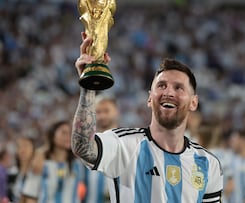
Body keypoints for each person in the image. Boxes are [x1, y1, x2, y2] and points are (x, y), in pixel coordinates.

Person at [71, 32, 223, 203]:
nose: (168, 92)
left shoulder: (208, 163)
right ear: (150, 98)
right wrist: (88, 85)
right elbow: (83, 147)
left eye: (178, 88)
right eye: (162, 85)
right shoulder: (123, 145)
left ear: (194, 103)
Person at [21, 121, 83, 203]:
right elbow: (31, 195)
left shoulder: (77, 165)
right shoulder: (41, 163)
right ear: (53, 135)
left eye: (70, 133)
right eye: (63, 132)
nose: (68, 136)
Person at [83, 96, 120, 203]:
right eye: (98, 112)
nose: (102, 116)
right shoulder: (86, 144)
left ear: (116, 112)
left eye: (106, 111)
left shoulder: (128, 142)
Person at [12, 136, 35, 203]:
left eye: (26, 145)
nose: (22, 149)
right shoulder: (13, 173)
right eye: (19, 146)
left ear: (33, 149)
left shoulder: (37, 173)